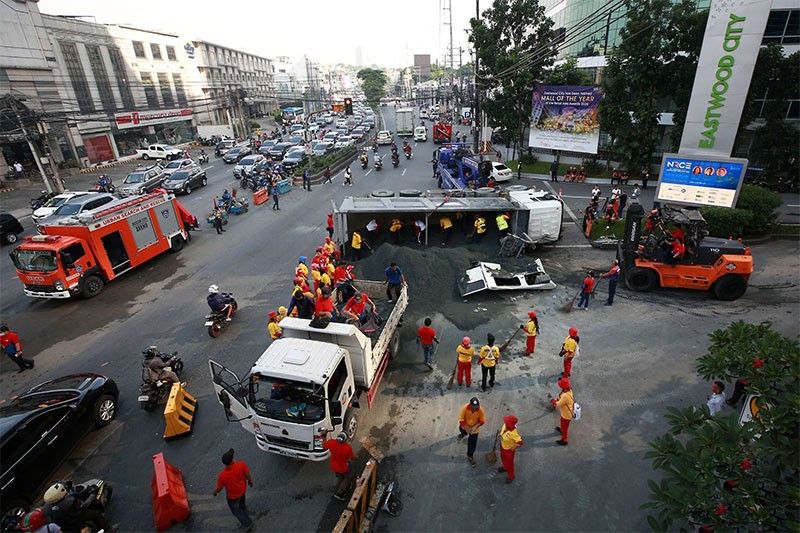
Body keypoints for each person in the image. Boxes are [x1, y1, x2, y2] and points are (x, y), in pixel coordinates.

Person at [43, 482, 112, 532]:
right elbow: (84, 505)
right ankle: (107, 529)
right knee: (96, 514)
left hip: (63, 526)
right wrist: (92, 495)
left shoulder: (46, 507)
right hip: (75, 520)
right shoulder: (70, 502)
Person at [213, 448, 254, 531]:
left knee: (236, 511)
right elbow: (247, 475)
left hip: (233, 497)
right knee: (242, 503)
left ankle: (248, 523)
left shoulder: (222, 475)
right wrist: (250, 481)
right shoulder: (241, 465)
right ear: (232, 460)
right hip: (242, 490)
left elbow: (220, 488)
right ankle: (245, 512)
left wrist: (215, 492)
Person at [323, 432, 356, 500]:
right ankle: (340, 492)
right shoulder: (347, 448)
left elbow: (324, 445)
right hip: (343, 467)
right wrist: (356, 458)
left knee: (340, 476)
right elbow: (352, 457)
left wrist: (324, 437)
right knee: (349, 476)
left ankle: (343, 486)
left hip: (334, 466)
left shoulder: (332, 442)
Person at [457, 397, 485, 467]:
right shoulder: (465, 408)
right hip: (465, 425)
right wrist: (466, 428)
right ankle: (463, 433)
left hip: (474, 428)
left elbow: (482, 421)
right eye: (473, 407)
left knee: (472, 443)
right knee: (462, 430)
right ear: (470, 405)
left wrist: (475, 427)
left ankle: (470, 455)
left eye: (476, 407)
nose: (475, 408)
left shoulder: (480, 410)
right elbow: (461, 419)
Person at [497, 415, 523, 483]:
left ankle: (511, 476)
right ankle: (505, 467)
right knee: (503, 457)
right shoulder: (505, 425)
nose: (504, 422)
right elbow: (502, 430)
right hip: (503, 446)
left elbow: (520, 442)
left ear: (510, 424)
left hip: (509, 450)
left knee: (510, 464)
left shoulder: (514, 433)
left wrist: (513, 448)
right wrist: (500, 433)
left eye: (506, 421)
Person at [551, 377, 574, 446]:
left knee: (565, 428)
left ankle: (564, 440)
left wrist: (554, 401)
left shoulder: (565, 396)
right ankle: (562, 430)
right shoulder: (569, 391)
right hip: (565, 413)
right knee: (563, 424)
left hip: (566, 415)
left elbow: (558, 404)